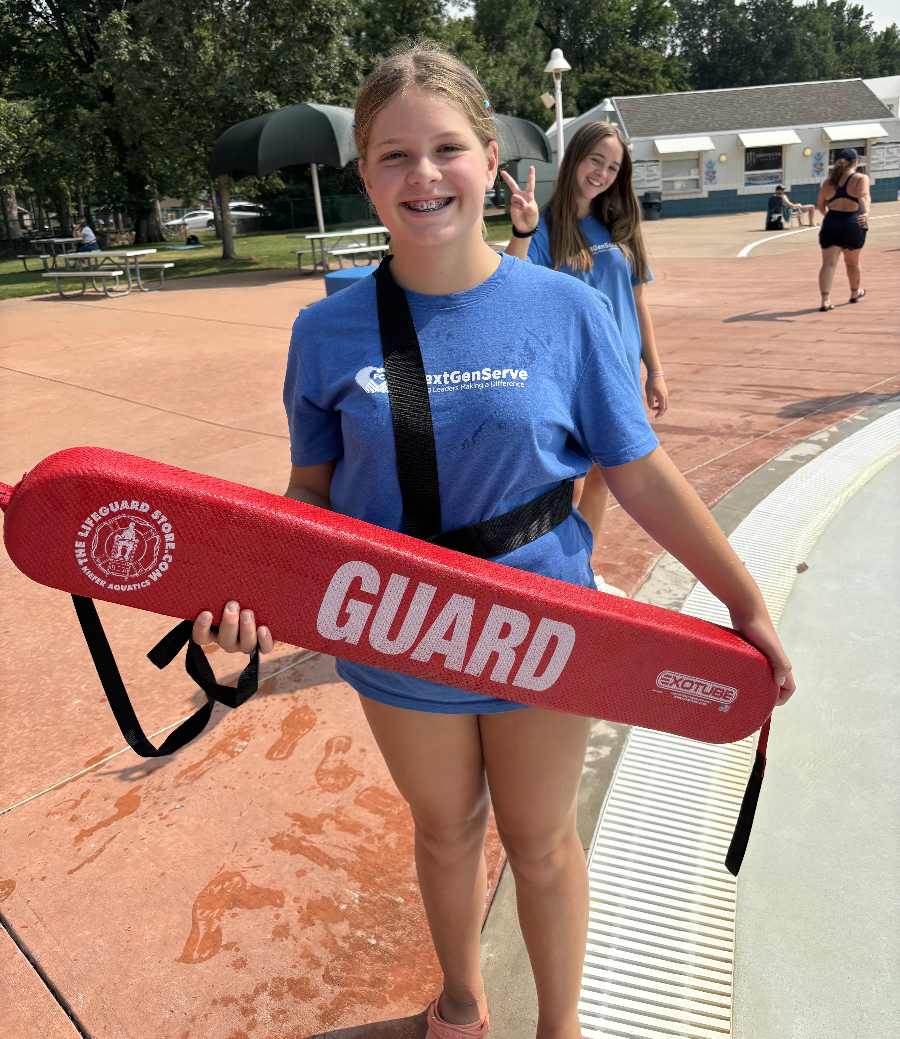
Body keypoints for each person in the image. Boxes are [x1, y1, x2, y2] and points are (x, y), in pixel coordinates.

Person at [189, 45, 794, 1039]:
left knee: (542, 840)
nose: (422, 177)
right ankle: (462, 1003)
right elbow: (309, 497)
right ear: (366, 175)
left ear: (492, 163)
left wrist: (743, 597)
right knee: (443, 829)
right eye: (393, 156)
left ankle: (561, 1028)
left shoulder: (561, 307)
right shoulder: (327, 331)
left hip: (541, 628)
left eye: (445, 149)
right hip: (395, 632)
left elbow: (636, 469)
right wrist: (254, 590)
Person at [501, 122, 668, 592]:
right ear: (575, 157)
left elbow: (637, 301)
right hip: (572, 374)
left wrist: (654, 369)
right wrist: (523, 226)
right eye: (596, 160)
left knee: (606, 475)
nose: (602, 173)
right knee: (570, 480)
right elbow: (510, 276)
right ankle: (562, 574)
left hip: (620, 372)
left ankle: (582, 568)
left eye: (613, 167)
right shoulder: (546, 226)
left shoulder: (618, 226)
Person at [816, 148, 870, 311]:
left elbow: (820, 206)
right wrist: (866, 212)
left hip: (832, 222)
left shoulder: (828, 182)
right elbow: (863, 195)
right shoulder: (860, 178)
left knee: (828, 265)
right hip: (852, 222)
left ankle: (825, 300)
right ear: (855, 162)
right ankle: (855, 292)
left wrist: (830, 217)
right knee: (852, 263)